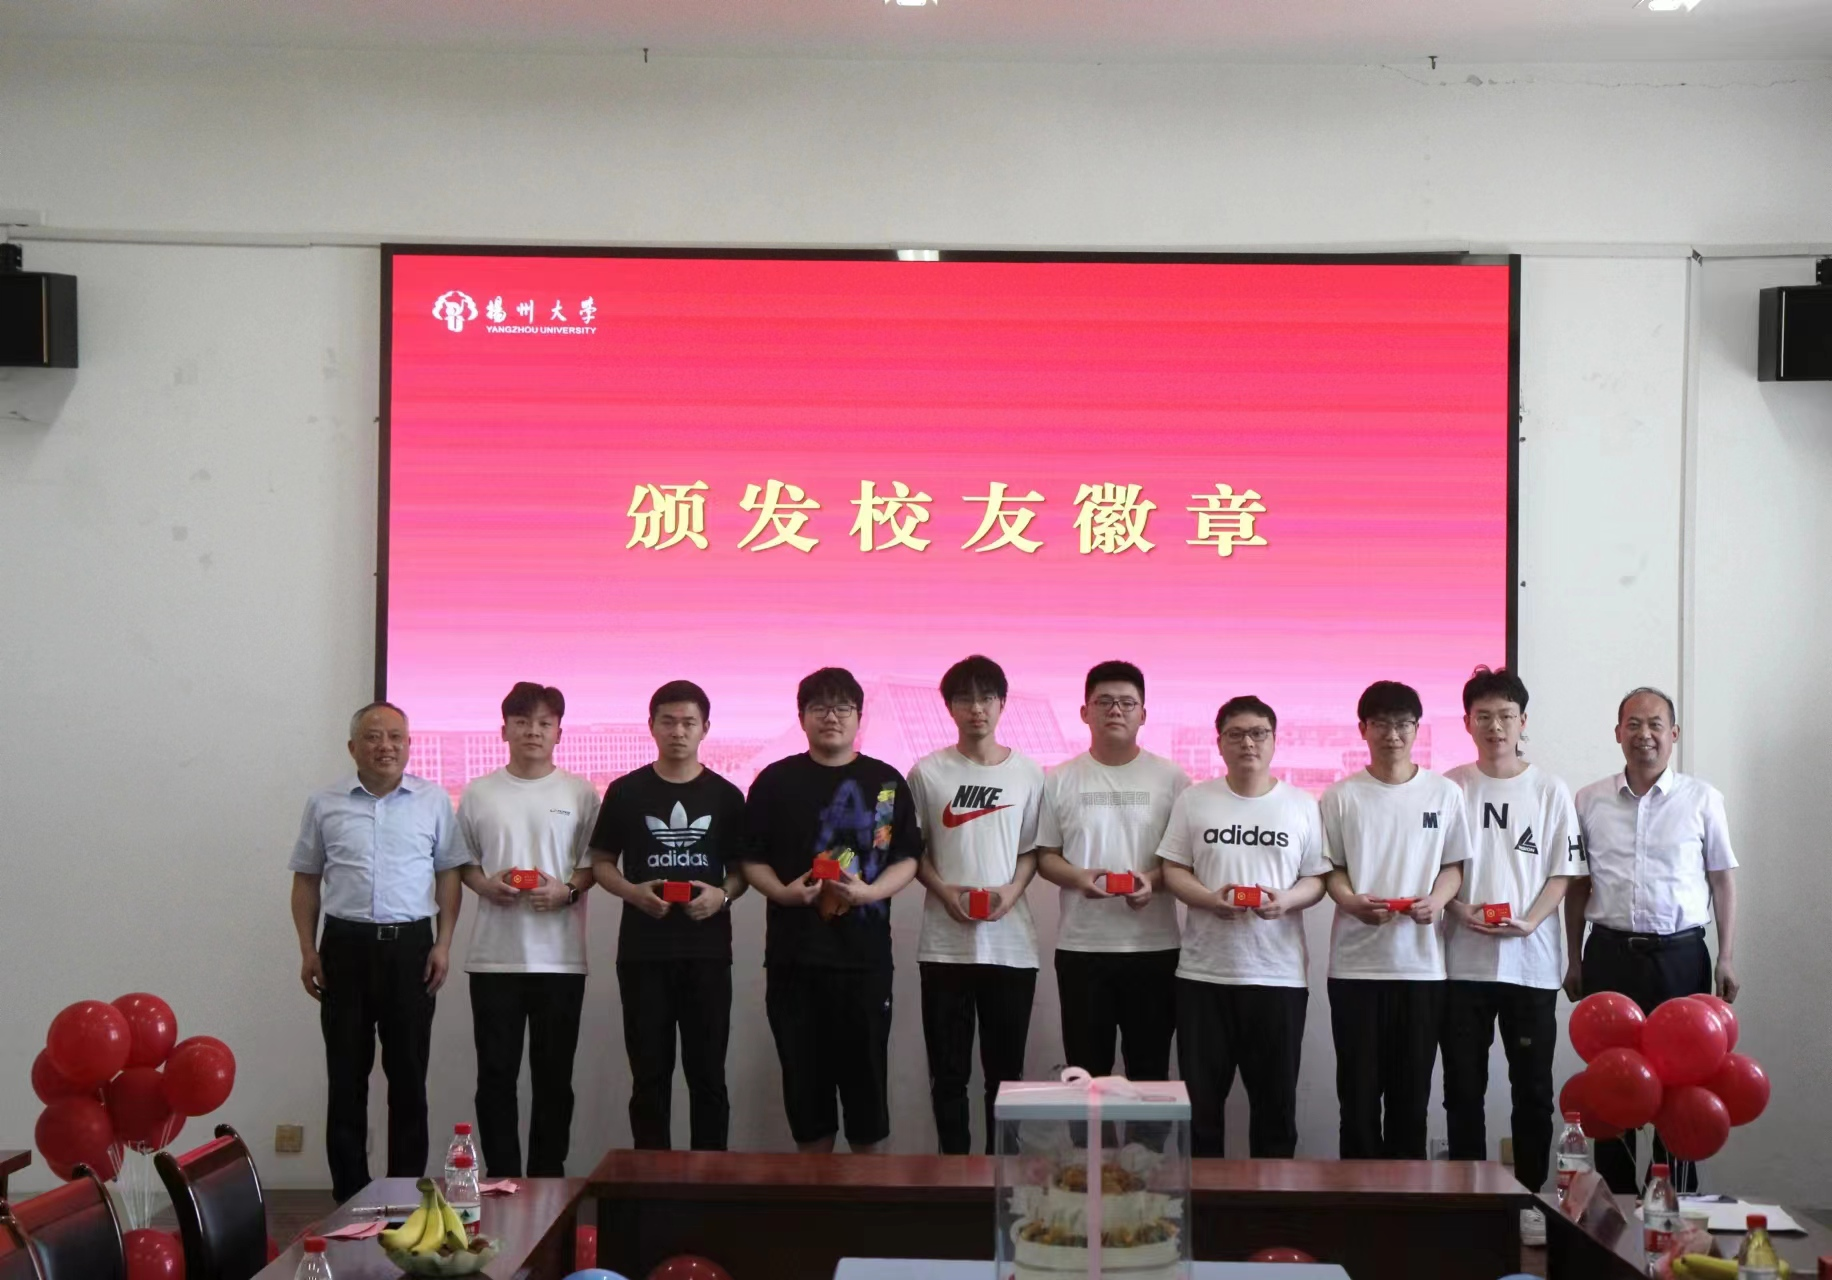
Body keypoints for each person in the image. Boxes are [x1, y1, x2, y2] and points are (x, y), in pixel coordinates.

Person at [738, 667, 922, 1153]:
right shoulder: (775, 781)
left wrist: (871, 893)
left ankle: (865, 1196)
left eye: (843, 707)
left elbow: (905, 856)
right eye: (819, 707)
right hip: (795, 961)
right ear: (801, 717)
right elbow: (751, 858)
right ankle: (814, 1194)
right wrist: (782, 893)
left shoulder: (885, 782)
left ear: (860, 716)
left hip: (864, 962)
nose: (831, 717)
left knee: (867, 1095)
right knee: (805, 1094)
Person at [288, 701, 466, 1203]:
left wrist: (443, 943)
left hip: (412, 948)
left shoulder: (433, 801)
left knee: (409, 1077)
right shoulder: (324, 803)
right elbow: (306, 880)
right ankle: (349, 1195)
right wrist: (307, 949)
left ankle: (406, 1192)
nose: (385, 746)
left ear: (409, 745)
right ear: (353, 747)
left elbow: (448, 874)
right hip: (344, 948)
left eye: (395, 737)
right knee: (346, 1077)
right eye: (373, 736)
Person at [1565, 687, 1739, 1194]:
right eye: (1634, 724)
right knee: (1611, 1081)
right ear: (1618, 733)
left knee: (1682, 1085)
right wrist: (1572, 958)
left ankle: (1674, 1203)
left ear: (1674, 734)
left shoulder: (1702, 799)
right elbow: (1578, 887)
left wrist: (1726, 957)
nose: (1645, 734)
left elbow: (1723, 880)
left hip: (1680, 955)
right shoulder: (1589, 800)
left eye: (1655, 724)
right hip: (1609, 954)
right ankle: (1613, 1202)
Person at [1439, 667, 1583, 1241]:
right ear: (1467, 723)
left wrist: (1533, 921)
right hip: (1462, 964)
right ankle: (1466, 1200)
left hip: (1532, 967)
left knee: (1533, 1092)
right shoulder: (1450, 787)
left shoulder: (1550, 790)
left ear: (1523, 722)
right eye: (1484, 716)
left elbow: (1564, 871)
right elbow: (1438, 871)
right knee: (1462, 1090)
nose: (1495, 726)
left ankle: (1530, 1200)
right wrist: (1458, 911)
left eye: (1505, 716)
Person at [1159, 694, 1327, 1158]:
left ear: (1274, 741)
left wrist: (1286, 900)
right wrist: (1209, 900)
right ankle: (1205, 1201)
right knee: (1200, 1114)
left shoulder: (1301, 805)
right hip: (1203, 976)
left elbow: (1316, 879)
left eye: (1258, 733)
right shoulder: (1195, 800)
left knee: (1276, 1113)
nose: (1248, 743)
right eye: (1236, 734)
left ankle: (1270, 1202)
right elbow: (1173, 869)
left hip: (1277, 978)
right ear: (1219, 743)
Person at [591, 679, 749, 1151]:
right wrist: (632, 893)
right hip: (644, 955)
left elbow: (741, 872)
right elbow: (602, 863)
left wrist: (721, 897)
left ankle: (710, 1180)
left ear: (705, 729)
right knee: (649, 1079)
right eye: (668, 722)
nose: (678, 731)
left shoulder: (726, 795)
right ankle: (650, 1180)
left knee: (709, 1077)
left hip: (707, 954)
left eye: (688, 723)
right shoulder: (626, 791)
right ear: (652, 726)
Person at [455, 682, 600, 1177]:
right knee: (495, 1076)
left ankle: (547, 1179)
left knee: (554, 1079)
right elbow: (463, 862)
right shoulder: (479, 792)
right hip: (494, 958)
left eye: (543, 723)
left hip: (561, 959)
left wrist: (567, 890)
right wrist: (483, 884)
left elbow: (592, 867)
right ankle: (502, 1178)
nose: (532, 731)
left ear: (559, 732)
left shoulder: (580, 793)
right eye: (521, 722)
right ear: (504, 731)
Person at [1321, 680, 1470, 1160]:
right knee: (1358, 1100)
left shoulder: (1445, 793)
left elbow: (1454, 866)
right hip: (1355, 968)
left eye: (1403, 724)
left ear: (1416, 729)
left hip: (1421, 969)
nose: (1393, 734)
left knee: (1411, 1101)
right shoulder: (1341, 796)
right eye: (1381, 724)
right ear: (1363, 729)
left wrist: (1437, 901)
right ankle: (1358, 1199)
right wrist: (1350, 901)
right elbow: (1331, 869)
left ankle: (1408, 1198)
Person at [908, 655, 1046, 1155]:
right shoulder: (927, 772)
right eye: (964, 699)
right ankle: (953, 1175)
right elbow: (914, 853)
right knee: (948, 1075)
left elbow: (1032, 850)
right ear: (949, 707)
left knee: (1005, 1077)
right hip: (944, 947)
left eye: (986, 697)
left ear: (1002, 703)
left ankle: (1000, 1177)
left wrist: (1013, 890)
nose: (976, 709)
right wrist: (945, 892)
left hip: (1011, 949)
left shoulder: (1029, 773)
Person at [1036, 661, 1190, 1086]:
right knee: (1086, 1076)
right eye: (1104, 701)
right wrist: (1078, 878)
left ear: (1144, 713)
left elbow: (1184, 860)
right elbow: (1046, 856)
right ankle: (1091, 1137)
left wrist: (1152, 881)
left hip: (1154, 948)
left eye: (1127, 702)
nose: (1116, 710)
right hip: (1082, 948)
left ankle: (1146, 1137)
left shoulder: (1173, 779)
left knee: (1150, 1073)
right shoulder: (1060, 779)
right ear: (1085, 712)